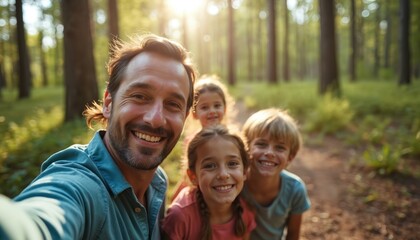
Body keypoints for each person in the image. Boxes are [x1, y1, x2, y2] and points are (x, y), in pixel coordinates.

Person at [0, 33, 197, 240]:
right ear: (108, 104)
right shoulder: (81, 186)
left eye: (173, 104)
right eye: (140, 96)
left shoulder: (157, 181)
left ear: (184, 117)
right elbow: (41, 219)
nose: (155, 119)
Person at [161, 125, 256, 240]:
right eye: (210, 165)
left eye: (232, 164)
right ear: (193, 176)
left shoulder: (244, 212)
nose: (223, 174)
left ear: (244, 171)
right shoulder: (180, 217)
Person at [240, 108, 311, 240]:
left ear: (290, 156)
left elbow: (293, 235)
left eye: (279, 147)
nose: (270, 153)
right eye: (261, 144)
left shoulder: (295, 189)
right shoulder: (236, 184)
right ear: (247, 148)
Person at [170, 74, 237, 201]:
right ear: (194, 114)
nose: (212, 111)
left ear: (225, 108)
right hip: (200, 195)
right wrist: (176, 197)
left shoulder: (232, 139)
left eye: (217, 105)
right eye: (205, 107)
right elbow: (187, 174)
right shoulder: (193, 141)